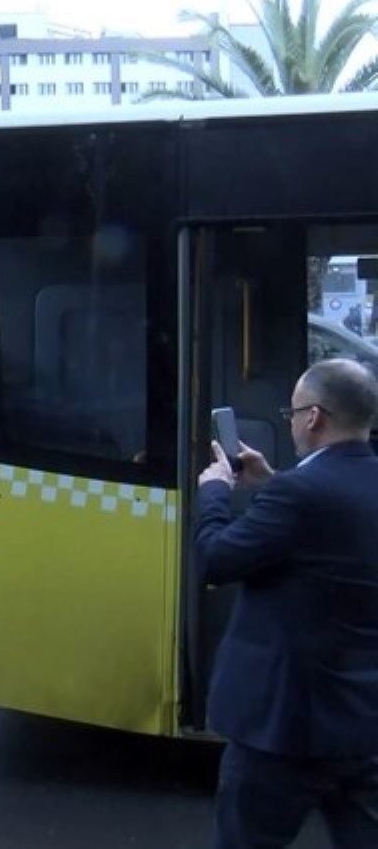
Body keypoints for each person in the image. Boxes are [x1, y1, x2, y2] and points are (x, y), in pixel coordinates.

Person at [195, 358, 378, 848]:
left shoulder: (301, 493)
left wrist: (214, 492)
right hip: (361, 725)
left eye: (292, 412)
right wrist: (271, 479)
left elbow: (217, 559)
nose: (291, 421)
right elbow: (330, 529)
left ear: (314, 417)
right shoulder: (343, 486)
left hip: (281, 730)